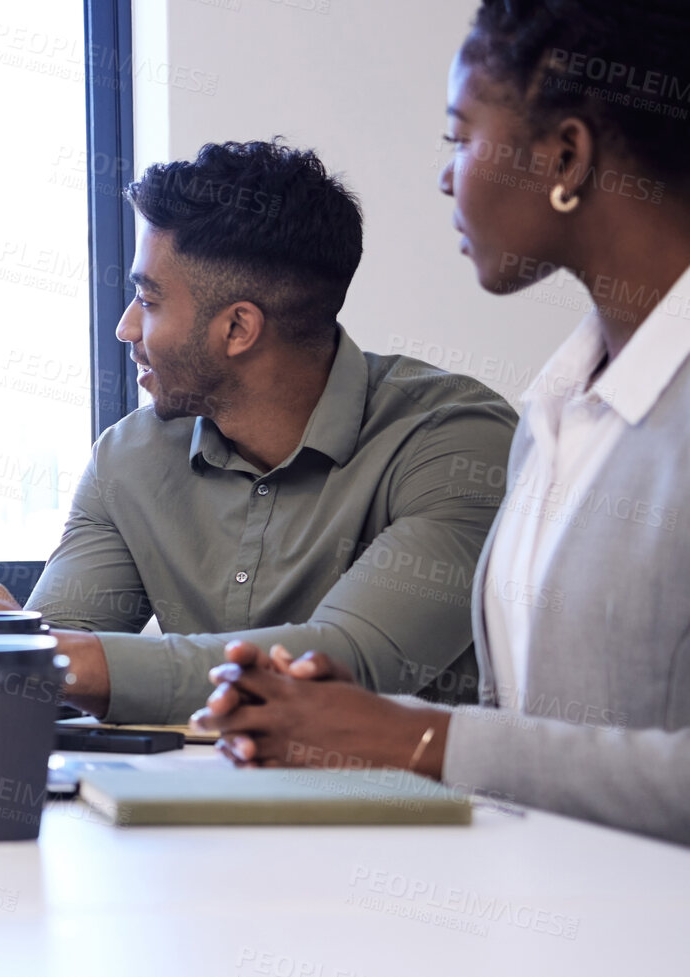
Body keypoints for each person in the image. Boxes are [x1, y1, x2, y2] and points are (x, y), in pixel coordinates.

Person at [195, 0, 690, 846]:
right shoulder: (557, 406)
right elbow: (541, 733)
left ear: (566, 154)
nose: (444, 176)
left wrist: (409, 737)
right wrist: (345, 718)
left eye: (460, 137)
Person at [0, 141, 519, 724]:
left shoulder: (456, 442)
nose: (127, 328)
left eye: (149, 301)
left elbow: (346, 663)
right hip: (184, 827)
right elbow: (63, 652)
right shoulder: (129, 459)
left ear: (238, 329)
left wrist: (21, 657)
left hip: (414, 836)